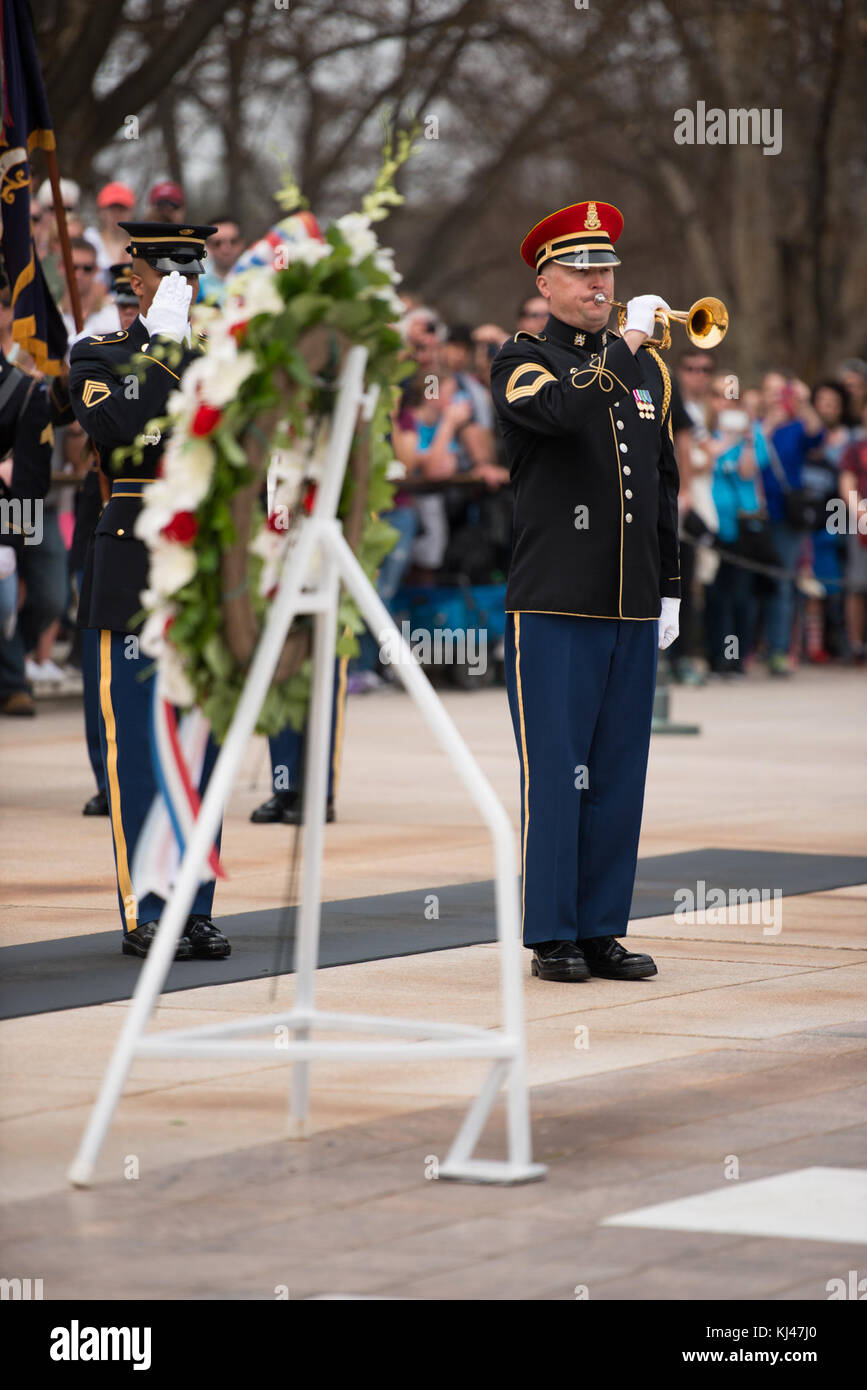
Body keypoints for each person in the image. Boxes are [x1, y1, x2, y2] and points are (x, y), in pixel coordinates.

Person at [491, 199, 680, 984]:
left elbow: (663, 481)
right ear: (545, 281)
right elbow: (563, 412)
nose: (599, 283)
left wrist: (667, 585)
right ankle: (552, 933)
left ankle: (602, 926)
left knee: (618, 771)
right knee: (558, 769)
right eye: (581, 271)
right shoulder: (522, 359)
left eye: (606, 270)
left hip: (629, 601)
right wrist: (626, 344)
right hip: (555, 600)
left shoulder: (650, 372)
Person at [69, 221, 232, 961]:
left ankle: (194, 903)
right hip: (134, 563)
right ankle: (147, 905)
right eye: (167, 270)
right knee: (139, 744)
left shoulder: (226, 360)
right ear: (133, 277)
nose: (183, 283)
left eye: (189, 270)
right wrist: (160, 345)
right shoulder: (97, 355)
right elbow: (123, 427)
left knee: (201, 746)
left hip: (207, 567)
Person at [755, 372, 823, 675]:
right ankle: (746, 649)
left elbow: (818, 435)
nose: (775, 398)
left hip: (786, 517)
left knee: (783, 583)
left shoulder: (797, 427)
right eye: (769, 392)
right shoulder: (754, 427)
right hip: (754, 515)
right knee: (752, 583)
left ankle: (779, 650)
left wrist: (804, 401)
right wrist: (765, 426)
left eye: (779, 392)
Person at [84, 182, 137, 277]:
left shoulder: (138, 243)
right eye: (112, 208)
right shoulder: (90, 238)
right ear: (101, 212)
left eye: (122, 209)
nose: (117, 214)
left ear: (131, 212)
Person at [198, 219, 243, 304]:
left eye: (233, 242)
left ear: (241, 243)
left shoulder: (257, 277)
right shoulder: (197, 281)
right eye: (217, 243)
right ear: (208, 246)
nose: (225, 249)